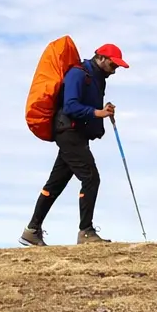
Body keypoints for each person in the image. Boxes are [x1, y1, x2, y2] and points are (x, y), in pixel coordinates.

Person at [21, 44, 129, 246]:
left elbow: (88, 107)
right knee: (91, 178)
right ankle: (86, 232)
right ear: (102, 59)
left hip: (76, 134)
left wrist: (103, 110)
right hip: (68, 132)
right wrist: (99, 113)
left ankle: (32, 230)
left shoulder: (97, 79)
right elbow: (70, 106)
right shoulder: (77, 74)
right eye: (114, 65)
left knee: (56, 183)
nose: (115, 70)